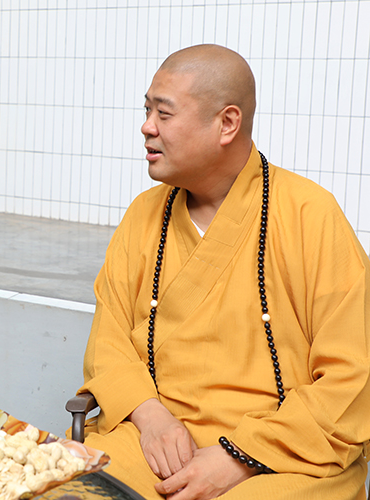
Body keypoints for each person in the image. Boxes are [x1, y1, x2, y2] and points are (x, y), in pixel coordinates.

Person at [78, 44, 370, 500]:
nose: (147, 127)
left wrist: (239, 455)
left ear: (227, 123)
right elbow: (108, 343)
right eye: (146, 110)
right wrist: (150, 417)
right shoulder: (144, 215)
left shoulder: (310, 216)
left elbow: (352, 378)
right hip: (158, 441)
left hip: (281, 454)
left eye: (164, 114)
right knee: (76, 488)